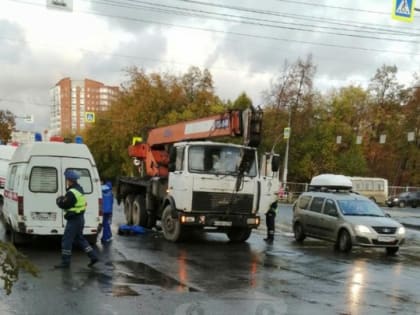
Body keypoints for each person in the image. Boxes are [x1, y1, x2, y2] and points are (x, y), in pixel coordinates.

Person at [54, 170, 98, 268]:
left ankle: (65, 262)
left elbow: (64, 204)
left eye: (67, 180)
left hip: (74, 220)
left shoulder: (71, 193)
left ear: (70, 180)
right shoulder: (79, 190)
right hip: (80, 218)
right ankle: (93, 256)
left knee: (66, 240)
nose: (67, 181)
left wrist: (58, 201)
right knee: (80, 239)